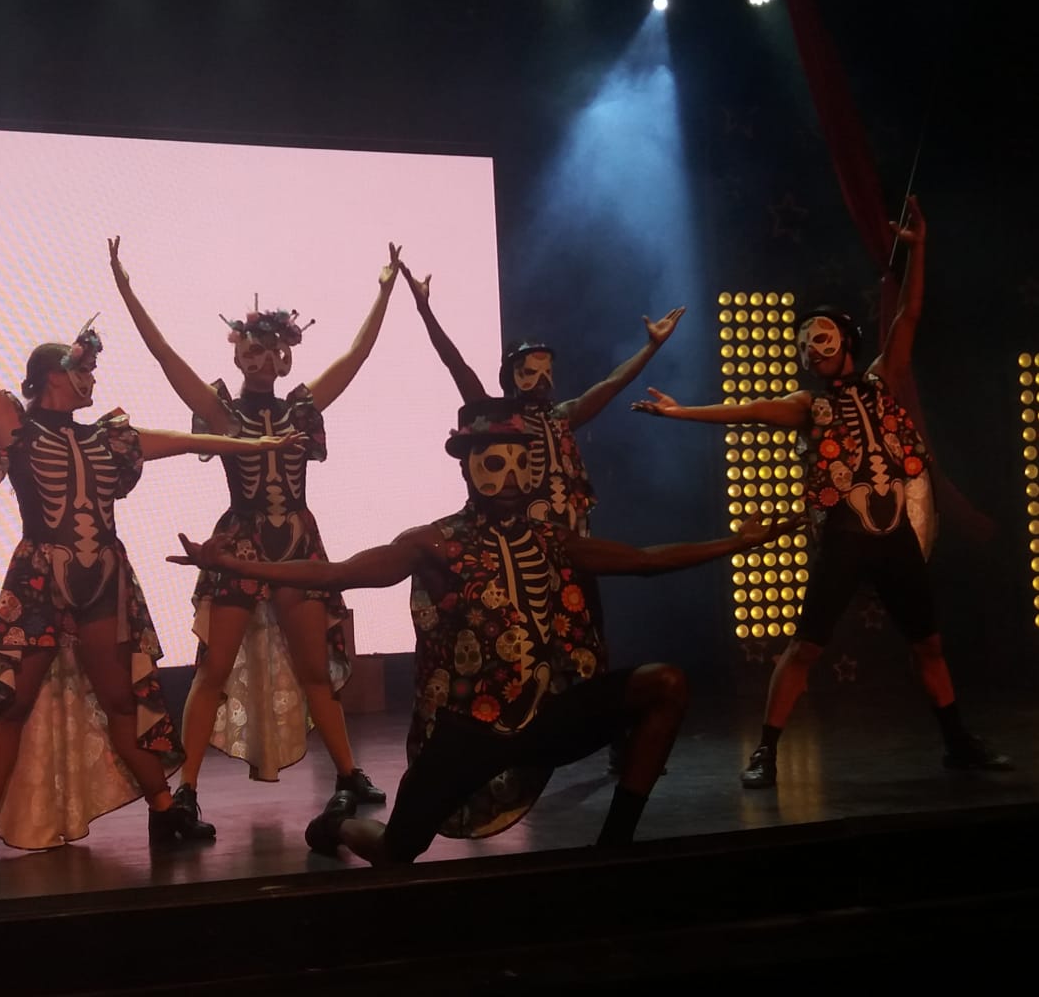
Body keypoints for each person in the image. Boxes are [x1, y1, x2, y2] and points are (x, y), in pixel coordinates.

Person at [168, 397, 800, 864]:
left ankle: (614, 847)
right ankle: (334, 828)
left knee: (665, 684)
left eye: (521, 463)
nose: (510, 476)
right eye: (495, 463)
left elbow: (645, 561)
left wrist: (737, 543)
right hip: (471, 729)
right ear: (469, 468)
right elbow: (339, 573)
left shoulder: (551, 539)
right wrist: (238, 565)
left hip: (550, 715)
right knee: (395, 850)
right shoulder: (435, 543)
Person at [0, 227, 301, 864]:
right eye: (83, 369)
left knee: (122, 699)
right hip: (40, 576)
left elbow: (190, 441)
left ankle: (164, 809)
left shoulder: (108, 437)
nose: (92, 377)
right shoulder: (15, 428)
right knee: (9, 703)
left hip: (105, 581)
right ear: (51, 377)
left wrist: (256, 445)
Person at [631, 196, 1012, 787]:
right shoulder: (807, 405)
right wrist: (681, 414)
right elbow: (747, 410)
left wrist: (918, 250)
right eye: (805, 341)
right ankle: (766, 752)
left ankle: (958, 742)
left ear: (847, 340)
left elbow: (909, 314)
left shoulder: (884, 379)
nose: (811, 347)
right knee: (806, 648)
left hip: (896, 538)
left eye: (821, 336)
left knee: (929, 644)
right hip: (844, 539)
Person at [110, 235, 396, 829]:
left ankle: (348, 772)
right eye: (252, 351)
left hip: (296, 545)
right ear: (238, 356)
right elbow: (166, 358)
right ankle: (187, 788)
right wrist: (127, 291)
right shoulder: (223, 413)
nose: (262, 360)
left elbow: (358, 355)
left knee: (314, 670)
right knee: (213, 668)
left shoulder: (301, 408)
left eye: (271, 351)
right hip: (239, 544)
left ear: (285, 358)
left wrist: (384, 291)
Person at [401, 259, 685, 770]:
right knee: (515, 644)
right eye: (528, 371)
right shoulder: (498, 420)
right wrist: (425, 311)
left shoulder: (562, 417)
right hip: (516, 551)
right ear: (510, 376)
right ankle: (501, 735)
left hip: (570, 551)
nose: (540, 379)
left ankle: (612, 734)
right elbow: (457, 366)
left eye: (546, 370)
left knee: (588, 641)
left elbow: (611, 384)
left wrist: (651, 347)